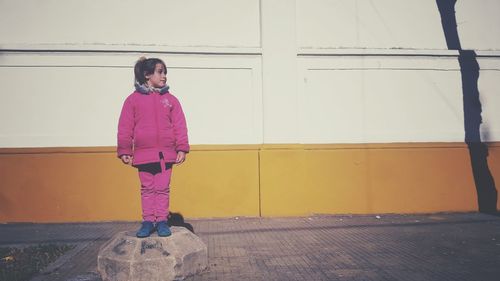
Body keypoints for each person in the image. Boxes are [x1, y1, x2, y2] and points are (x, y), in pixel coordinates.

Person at [117, 57, 189, 238]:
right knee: (147, 189)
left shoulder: (171, 100)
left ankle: (162, 221)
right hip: (143, 154)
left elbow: (180, 125)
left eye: (165, 72)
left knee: (163, 188)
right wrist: (125, 150)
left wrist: (181, 148)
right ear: (147, 75)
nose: (164, 76)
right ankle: (148, 221)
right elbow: (125, 126)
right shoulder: (133, 100)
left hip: (166, 154)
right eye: (160, 72)